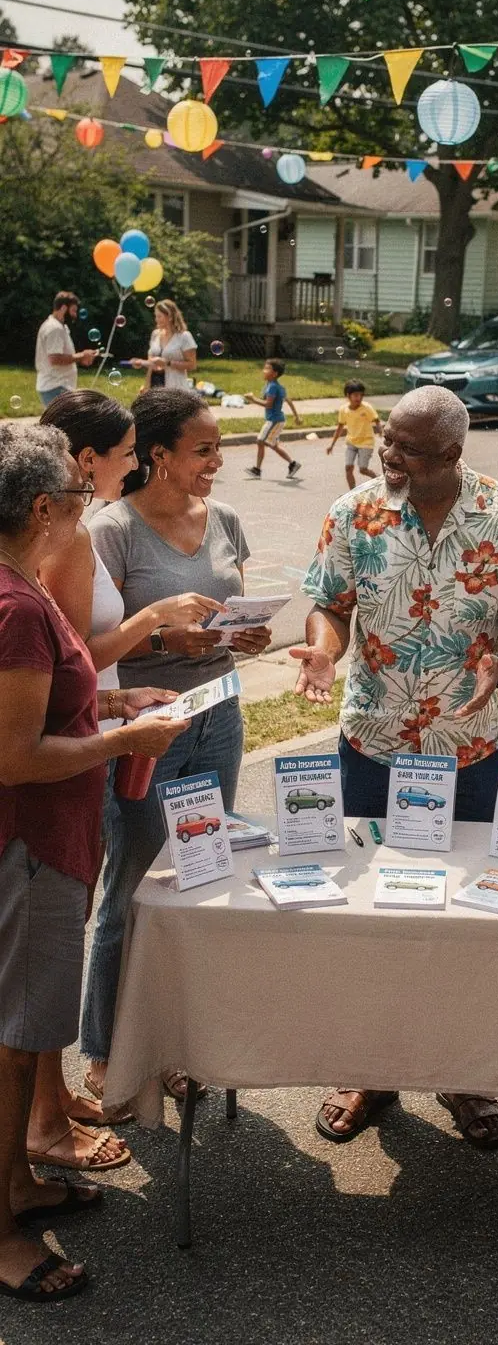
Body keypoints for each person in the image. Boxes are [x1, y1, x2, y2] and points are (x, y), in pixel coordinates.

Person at [293, 385, 498, 1149]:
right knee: (371, 914)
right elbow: (330, 603)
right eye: (388, 440)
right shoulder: (354, 513)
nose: (389, 454)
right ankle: (371, 1068)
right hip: (374, 746)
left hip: (470, 751)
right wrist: (325, 649)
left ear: (452, 453)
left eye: (407, 447)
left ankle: (462, 1071)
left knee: (466, 916)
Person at [0, 422, 187, 1302]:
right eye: (77, 498)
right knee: (16, 1045)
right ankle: (1, 1236)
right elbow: (16, 755)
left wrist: (111, 705)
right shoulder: (17, 606)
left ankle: (17, 1185)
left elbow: (44, 712)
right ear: (42, 507)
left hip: (43, 846)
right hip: (31, 849)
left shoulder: (23, 590)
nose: (86, 510)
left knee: (24, 1034)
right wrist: (125, 741)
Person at [30, 390, 222, 1150]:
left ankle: (52, 1097)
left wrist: (116, 703)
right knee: (63, 930)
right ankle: (50, 1111)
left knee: (65, 927)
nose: (136, 462)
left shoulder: (76, 529)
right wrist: (152, 623)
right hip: (78, 748)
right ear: (87, 461)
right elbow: (72, 659)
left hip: (104, 725)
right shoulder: (78, 538)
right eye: (127, 452)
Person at [80, 389, 269, 1109]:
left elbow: (232, 609)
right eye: (204, 450)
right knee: (131, 887)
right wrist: (164, 640)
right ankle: (106, 1048)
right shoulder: (111, 529)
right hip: (145, 730)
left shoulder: (225, 519)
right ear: (157, 455)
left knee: (199, 875)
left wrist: (246, 635)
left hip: (219, 718)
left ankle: (178, 1042)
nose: (218, 462)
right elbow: (92, 646)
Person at [34, 292, 97, 407]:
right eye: (73, 311)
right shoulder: (54, 328)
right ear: (63, 308)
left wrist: (81, 358)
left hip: (58, 386)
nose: (75, 315)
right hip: (55, 386)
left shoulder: (60, 326)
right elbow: (55, 359)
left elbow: (60, 356)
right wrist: (82, 355)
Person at [244, 359, 301, 479]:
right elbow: (288, 401)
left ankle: (257, 470)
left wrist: (253, 399)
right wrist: (296, 416)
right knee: (272, 445)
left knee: (261, 441)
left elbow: (268, 405)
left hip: (274, 420)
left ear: (274, 374)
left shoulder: (273, 387)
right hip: (276, 420)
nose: (263, 371)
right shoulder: (274, 386)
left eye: (267, 369)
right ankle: (292, 464)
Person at [326, 379, 382, 490]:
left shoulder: (366, 408)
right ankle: (352, 492)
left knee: (363, 469)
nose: (359, 398)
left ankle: (380, 481)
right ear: (348, 395)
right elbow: (340, 428)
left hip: (366, 443)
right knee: (348, 468)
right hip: (351, 442)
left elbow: (376, 420)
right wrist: (331, 445)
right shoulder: (344, 410)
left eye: (361, 395)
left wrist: (381, 431)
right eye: (356, 395)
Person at [130, 299, 196, 390]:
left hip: (176, 388)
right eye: (155, 316)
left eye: (159, 316)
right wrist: (141, 363)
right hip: (154, 387)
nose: (156, 319)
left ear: (170, 316)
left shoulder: (184, 336)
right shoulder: (155, 334)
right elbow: (152, 363)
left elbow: (192, 365)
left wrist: (168, 363)